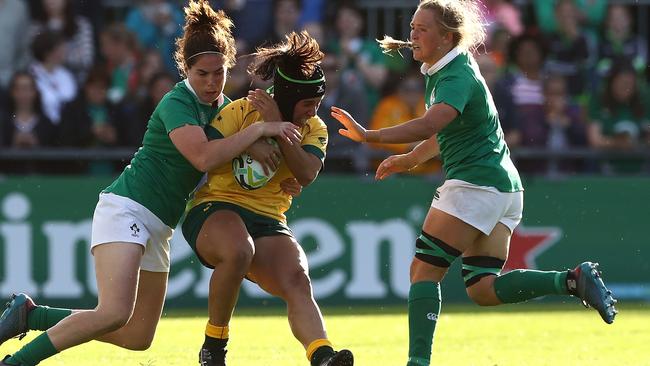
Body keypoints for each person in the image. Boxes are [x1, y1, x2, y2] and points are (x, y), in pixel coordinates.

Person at [0, 1, 300, 365]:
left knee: (137, 336)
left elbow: (232, 160)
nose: (210, 82)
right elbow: (204, 157)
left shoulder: (226, 109)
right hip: (128, 206)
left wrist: (279, 178)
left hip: (160, 224)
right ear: (185, 69)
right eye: (202, 73)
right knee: (113, 313)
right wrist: (256, 132)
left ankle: (31, 316)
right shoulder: (177, 102)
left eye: (218, 73)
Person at [329, 1, 618, 366]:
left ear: (447, 37)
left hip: (475, 185)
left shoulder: (455, 76)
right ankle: (572, 280)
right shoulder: (449, 70)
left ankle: (417, 362)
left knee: (423, 272)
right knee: (482, 288)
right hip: (504, 189)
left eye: (422, 28)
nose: (413, 34)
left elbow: (431, 124)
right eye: (413, 26)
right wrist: (408, 159)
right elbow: (444, 133)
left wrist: (369, 135)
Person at [181, 31, 354, 366]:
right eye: (307, 104)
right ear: (288, 97)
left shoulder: (315, 127)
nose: (313, 111)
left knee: (298, 280)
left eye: (317, 104)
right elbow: (205, 155)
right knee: (238, 250)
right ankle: (214, 347)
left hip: (269, 219)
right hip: (215, 207)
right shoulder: (241, 111)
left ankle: (322, 356)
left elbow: (306, 173)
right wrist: (251, 138)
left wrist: (276, 125)